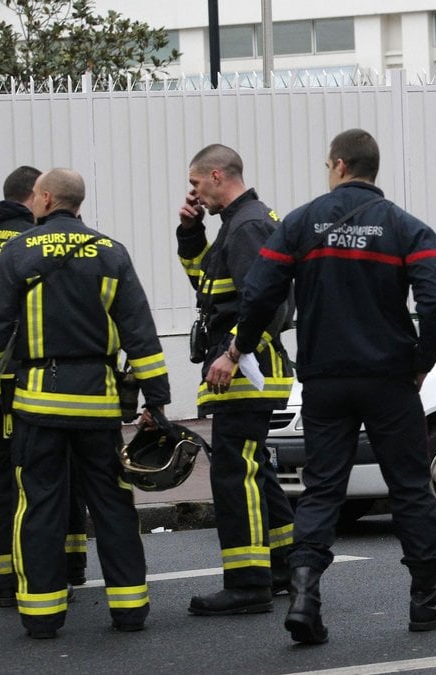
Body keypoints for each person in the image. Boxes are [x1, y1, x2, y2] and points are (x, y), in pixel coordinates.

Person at [210, 128, 436, 644]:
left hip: (324, 380)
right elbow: (435, 297)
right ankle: (426, 600)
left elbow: (258, 293)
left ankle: (305, 596)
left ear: (340, 165)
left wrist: (241, 348)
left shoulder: (300, 223)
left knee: (323, 488)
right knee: (410, 487)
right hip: (389, 379)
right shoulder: (406, 228)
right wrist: (422, 359)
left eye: (328, 164)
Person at [0, 168, 170, 639]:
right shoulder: (111, 252)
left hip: (38, 402)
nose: (32, 202)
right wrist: (156, 399)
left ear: (48, 198)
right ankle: (130, 609)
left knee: (39, 504)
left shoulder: (19, 250)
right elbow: (140, 333)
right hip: (97, 403)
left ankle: (41, 616)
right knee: (114, 503)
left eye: (36, 196)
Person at [0, 166, 89, 609]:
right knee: (55, 476)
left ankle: (7, 582)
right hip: (39, 384)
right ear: (37, 196)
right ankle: (67, 569)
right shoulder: (36, 244)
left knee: (3, 485)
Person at [176, 144, 296, 616]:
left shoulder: (247, 226)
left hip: (244, 370)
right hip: (244, 365)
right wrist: (190, 234)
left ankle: (248, 585)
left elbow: (264, 301)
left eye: (197, 183)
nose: (194, 192)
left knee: (233, 473)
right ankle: (284, 566)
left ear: (218, 174)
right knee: (255, 471)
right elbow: (210, 287)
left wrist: (234, 353)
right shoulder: (238, 223)